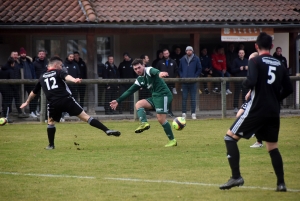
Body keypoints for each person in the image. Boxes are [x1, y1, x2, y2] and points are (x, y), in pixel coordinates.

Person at [219, 32, 293, 192]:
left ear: (256, 46)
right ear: (272, 46)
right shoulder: (280, 63)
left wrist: (246, 85)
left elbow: (251, 81)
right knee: (273, 146)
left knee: (229, 137)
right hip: (273, 110)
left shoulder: (254, 60)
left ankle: (236, 176)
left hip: (257, 108)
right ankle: (281, 184)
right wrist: (275, 97)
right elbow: (289, 88)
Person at [20, 56, 120, 150]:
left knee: (50, 122)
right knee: (86, 117)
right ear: (56, 66)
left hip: (53, 103)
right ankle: (106, 130)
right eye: (60, 65)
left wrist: (27, 102)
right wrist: (74, 80)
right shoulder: (58, 71)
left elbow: (34, 92)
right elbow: (67, 76)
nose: (61, 67)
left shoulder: (42, 77)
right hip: (66, 99)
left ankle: (51, 145)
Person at [110, 58, 177, 147]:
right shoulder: (140, 79)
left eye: (139, 67)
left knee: (161, 119)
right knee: (138, 104)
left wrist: (159, 73)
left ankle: (172, 140)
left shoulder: (148, 70)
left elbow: (155, 71)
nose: (137, 70)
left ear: (143, 66)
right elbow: (130, 91)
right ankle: (144, 123)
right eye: (135, 69)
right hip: (156, 97)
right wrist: (118, 100)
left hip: (164, 95)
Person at [178, 46, 202, 119]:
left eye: (190, 50)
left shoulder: (196, 59)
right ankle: (184, 113)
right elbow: (179, 69)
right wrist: (182, 76)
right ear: (185, 51)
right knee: (184, 98)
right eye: (187, 50)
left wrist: (195, 76)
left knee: (193, 98)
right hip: (184, 82)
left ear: (192, 51)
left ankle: (193, 113)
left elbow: (199, 68)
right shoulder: (182, 59)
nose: (189, 51)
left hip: (193, 82)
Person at [156, 48, 178, 117]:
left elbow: (176, 70)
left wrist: (172, 78)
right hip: (162, 83)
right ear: (163, 54)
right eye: (164, 54)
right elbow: (157, 71)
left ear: (169, 53)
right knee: (162, 97)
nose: (166, 55)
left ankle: (170, 111)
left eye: (167, 53)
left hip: (171, 83)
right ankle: (163, 112)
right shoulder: (160, 62)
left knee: (169, 97)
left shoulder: (173, 62)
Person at [19, 47, 38, 117]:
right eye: (22, 53)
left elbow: (33, 72)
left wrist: (34, 79)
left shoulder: (30, 62)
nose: (23, 54)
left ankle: (32, 111)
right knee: (21, 97)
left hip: (30, 82)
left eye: (24, 53)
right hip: (22, 83)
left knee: (32, 97)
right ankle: (21, 112)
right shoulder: (18, 62)